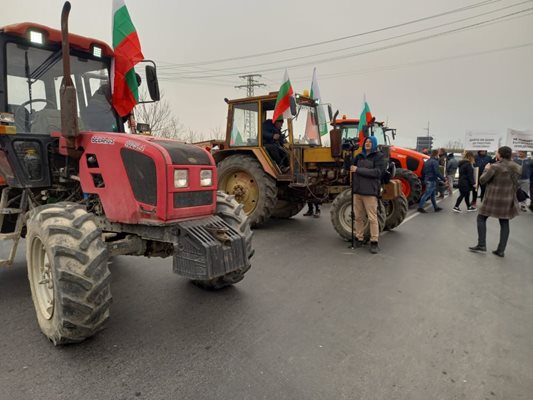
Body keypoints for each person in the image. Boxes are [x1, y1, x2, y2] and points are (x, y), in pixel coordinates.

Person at [469, 146, 521, 257]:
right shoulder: (517, 167)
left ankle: (482, 244)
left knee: (481, 218)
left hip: (492, 198)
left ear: (500, 154)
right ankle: (501, 250)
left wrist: (486, 169)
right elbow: (517, 184)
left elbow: (482, 180)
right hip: (507, 199)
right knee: (504, 222)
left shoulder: (494, 167)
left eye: (497, 152)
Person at [350, 136, 385, 254]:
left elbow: (378, 172)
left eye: (370, 142)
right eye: (366, 142)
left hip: (370, 192)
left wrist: (358, 170)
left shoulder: (379, 156)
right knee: (358, 217)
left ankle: (374, 241)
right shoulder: (359, 156)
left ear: (374, 144)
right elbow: (349, 167)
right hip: (357, 191)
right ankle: (359, 238)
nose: (368, 143)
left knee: (372, 218)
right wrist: (348, 154)